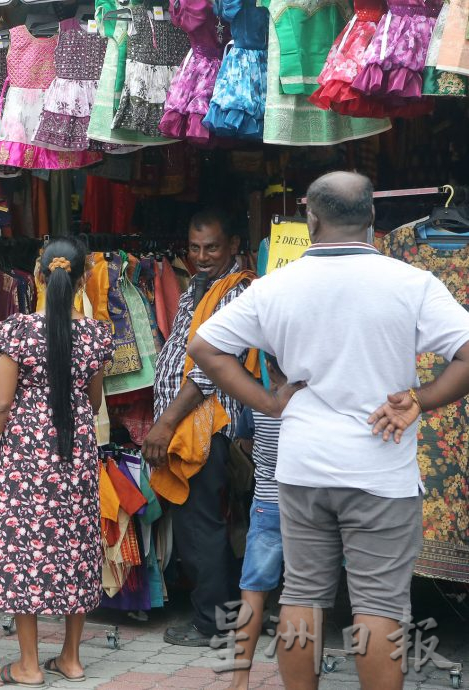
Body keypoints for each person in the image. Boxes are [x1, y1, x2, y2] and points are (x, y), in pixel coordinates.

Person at [189, 171, 469, 690]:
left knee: (302, 595)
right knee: (380, 602)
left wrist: (268, 401)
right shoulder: (412, 284)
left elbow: (204, 347)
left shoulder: (277, 286)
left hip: (303, 467)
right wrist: (421, 400)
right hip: (382, 468)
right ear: (372, 220)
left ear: (310, 217)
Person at [0, 239, 113, 687]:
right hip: (77, 452)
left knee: (24, 548)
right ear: (85, 278)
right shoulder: (96, 334)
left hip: (26, 455)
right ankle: (70, 658)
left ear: (37, 275)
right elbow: (95, 399)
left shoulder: (18, 331)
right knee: (76, 544)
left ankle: (28, 664)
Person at [143, 210, 253, 647]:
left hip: (203, 428)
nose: (202, 256)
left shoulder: (237, 291)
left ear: (231, 246)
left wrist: (166, 423)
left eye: (211, 247)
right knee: (203, 523)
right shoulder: (198, 289)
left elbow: (210, 368)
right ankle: (224, 614)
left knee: (200, 524)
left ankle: (213, 624)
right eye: (194, 247)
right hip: (187, 428)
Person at [228, 362, 285, 690]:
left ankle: (239, 681)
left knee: (252, 591)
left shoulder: (257, 404)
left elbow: (246, 445)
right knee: (302, 593)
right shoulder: (312, 404)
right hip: (304, 507)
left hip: (265, 503)